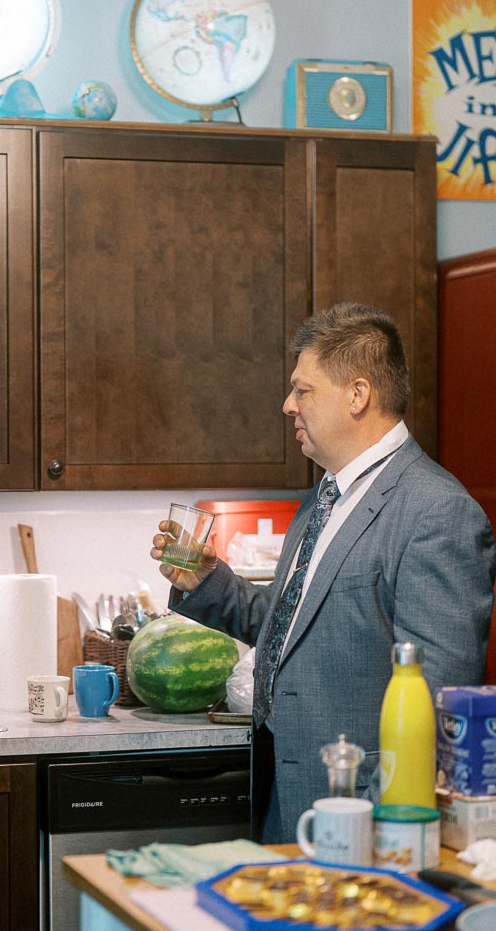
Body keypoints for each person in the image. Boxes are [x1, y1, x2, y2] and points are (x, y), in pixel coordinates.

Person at [151, 302, 496, 844]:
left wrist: (382, 829)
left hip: (359, 817)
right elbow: (292, 625)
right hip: (285, 794)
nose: (288, 405)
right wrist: (209, 582)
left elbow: (438, 702)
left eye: (303, 390)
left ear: (358, 395)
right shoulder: (324, 497)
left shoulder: (436, 512)